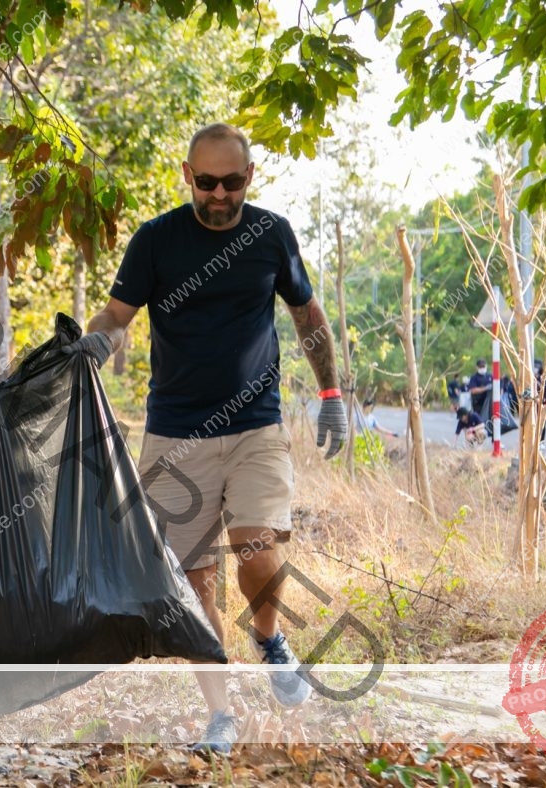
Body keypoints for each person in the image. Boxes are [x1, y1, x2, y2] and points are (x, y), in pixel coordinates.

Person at [70, 123, 347, 755]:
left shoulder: (271, 234)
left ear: (251, 176)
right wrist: (97, 341)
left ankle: (270, 637)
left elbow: (307, 314)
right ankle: (220, 712)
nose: (219, 194)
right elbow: (116, 317)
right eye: (206, 181)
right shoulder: (156, 241)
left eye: (231, 181)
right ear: (186, 175)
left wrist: (332, 395)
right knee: (193, 586)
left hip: (256, 427)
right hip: (175, 434)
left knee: (259, 553)